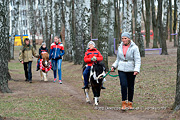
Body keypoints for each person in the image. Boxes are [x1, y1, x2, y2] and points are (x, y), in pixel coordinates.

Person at [111, 32, 141, 110]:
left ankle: (130, 102)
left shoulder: (134, 47)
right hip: (121, 69)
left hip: (131, 69)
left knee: (131, 86)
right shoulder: (120, 47)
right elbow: (118, 59)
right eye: (122, 38)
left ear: (129, 39)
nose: (124, 40)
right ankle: (124, 103)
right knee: (123, 85)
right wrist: (114, 66)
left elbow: (137, 59)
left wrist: (136, 69)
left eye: (125, 38)